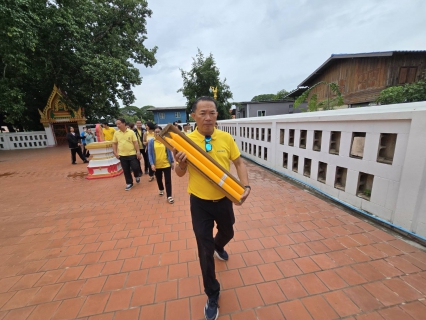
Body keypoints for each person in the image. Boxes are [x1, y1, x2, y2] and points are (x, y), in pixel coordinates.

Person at [173, 96, 251, 320]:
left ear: (217, 114)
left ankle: (219, 245)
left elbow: (238, 163)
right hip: (199, 203)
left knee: (229, 232)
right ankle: (212, 294)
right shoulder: (184, 141)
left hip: (224, 198)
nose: (208, 117)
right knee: (204, 250)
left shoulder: (226, 138)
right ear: (194, 116)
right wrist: (181, 163)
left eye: (212, 113)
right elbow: (179, 173)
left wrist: (245, 185)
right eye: (203, 113)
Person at [112, 118, 142, 191]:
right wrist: (115, 153)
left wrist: (138, 152)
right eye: (117, 124)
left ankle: (136, 175)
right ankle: (129, 183)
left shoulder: (131, 132)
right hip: (122, 155)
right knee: (126, 170)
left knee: (135, 167)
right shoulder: (116, 133)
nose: (118, 125)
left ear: (124, 123)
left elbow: (135, 143)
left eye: (119, 124)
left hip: (132, 154)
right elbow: (114, 143)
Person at [148, 126, 175, 204]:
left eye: (158, 131)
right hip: (157, 165)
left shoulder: (165, 140)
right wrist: (152, 164)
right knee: (159, 179)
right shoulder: (151, 141)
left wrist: (172, 161)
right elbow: (150, 154)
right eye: (155, 132)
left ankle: (169, 196)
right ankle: (161, 189)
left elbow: (169, 152)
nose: (157, 133)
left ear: (162, 132)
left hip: (166, 164)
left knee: (168, 180)